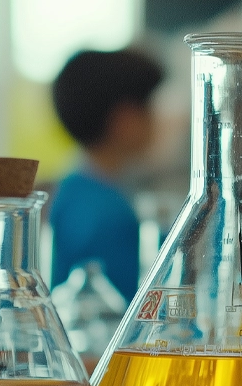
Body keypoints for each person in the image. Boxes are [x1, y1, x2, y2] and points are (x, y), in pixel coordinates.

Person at [48, 49, 165, 296]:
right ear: (124, 119)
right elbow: (140, 307)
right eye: (147, 107)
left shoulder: (72, 191)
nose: (157, 118)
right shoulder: (110, 216)